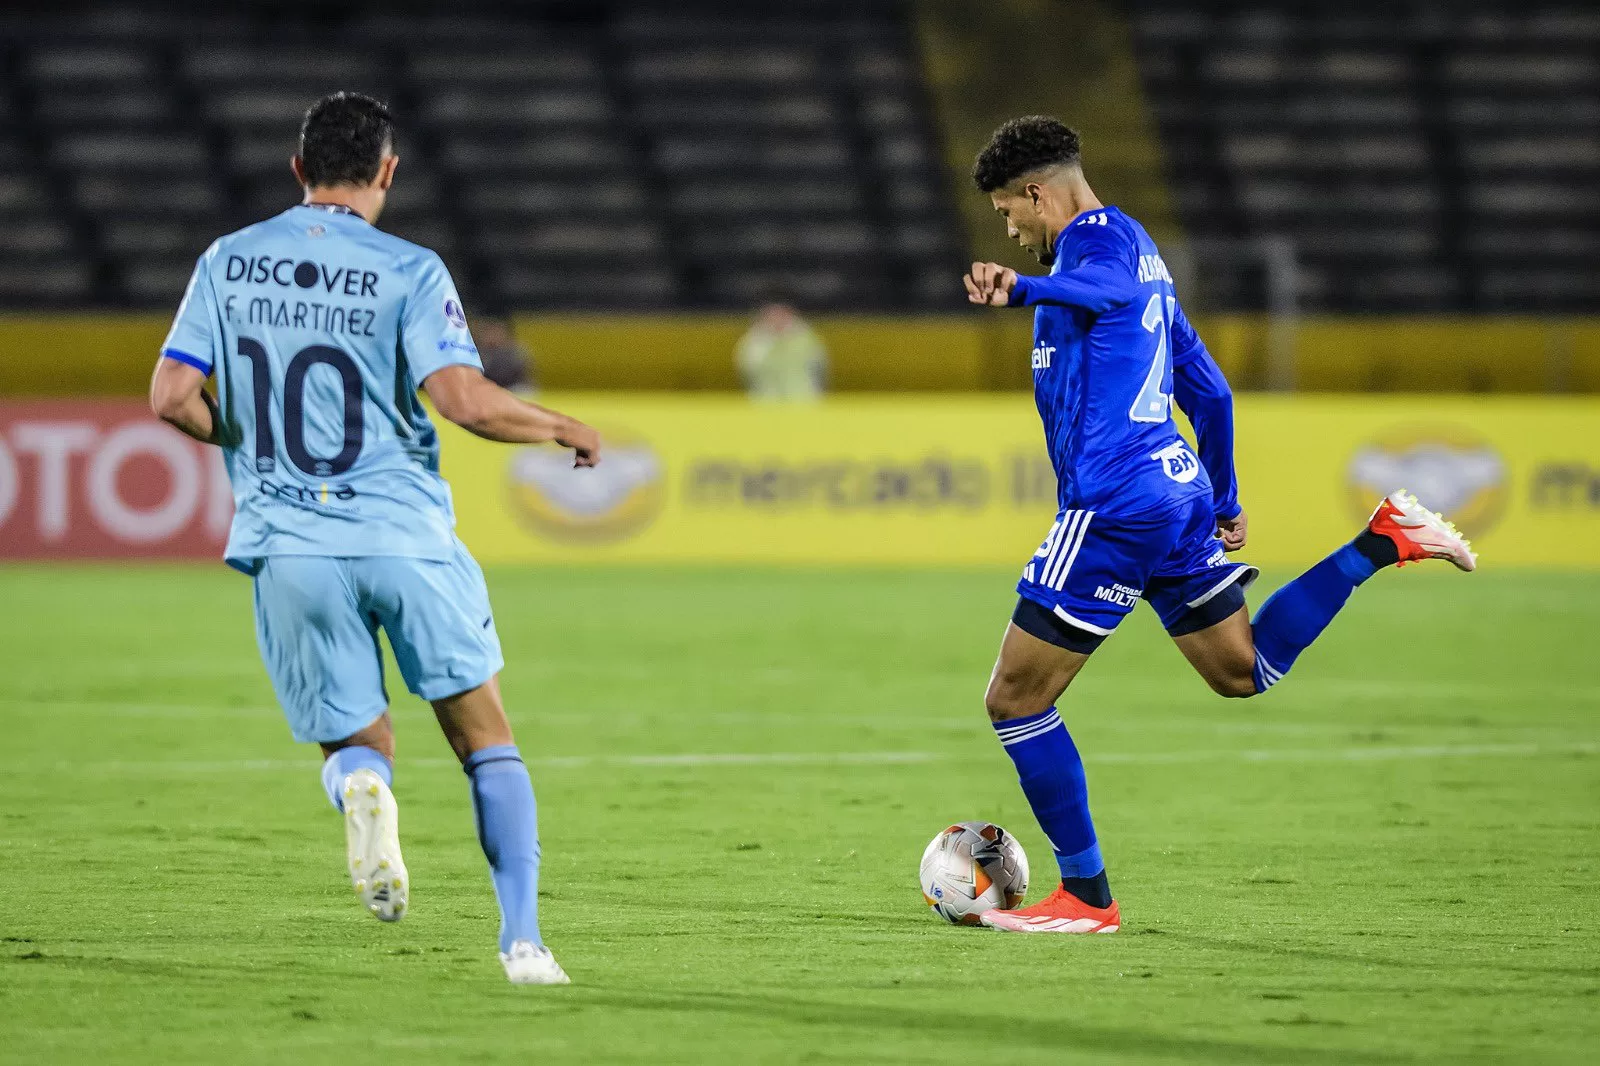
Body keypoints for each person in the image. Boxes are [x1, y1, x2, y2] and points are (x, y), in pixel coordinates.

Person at [961, 116, 1475, 934]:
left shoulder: (1096, 256)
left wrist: (1022, 289)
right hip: (1174, 493)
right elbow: (1212, 393)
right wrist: (1227, 497)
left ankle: (1087, 898)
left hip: (1115, 502)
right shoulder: (1144, 259)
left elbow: (1104, 295)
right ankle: (1383, 541)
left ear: (1036, 192)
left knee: (1015, 700)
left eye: (1006, 212)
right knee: (1243, 671)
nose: (1011, 231)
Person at [148, 92, 600, 984]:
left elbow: (169, 397)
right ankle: (523, 942)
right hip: (405, 536)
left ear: (297, 169)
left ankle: (363, 790)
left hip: (289, 543)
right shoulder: (411, 270)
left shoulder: (228, 260)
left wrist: (238, 439)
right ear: (387, 171)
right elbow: (464, 402)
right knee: (486, 740)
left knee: (359, 745)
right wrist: (559, 426)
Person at [735, 294, 827, 401]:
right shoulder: (753, 340)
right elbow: (748, 370)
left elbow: (820, 368)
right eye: (773, 314)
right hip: (766, 401)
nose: (778, 319)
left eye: (782, 314)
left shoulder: (806, 337)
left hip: (803, 400)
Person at [475, 316, 536, 391]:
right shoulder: (476, 352)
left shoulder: (515, 351)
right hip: (487, 388)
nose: (492, 336)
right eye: (489, 332)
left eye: (496, 332)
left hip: (513, 387)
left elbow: (525, 376)